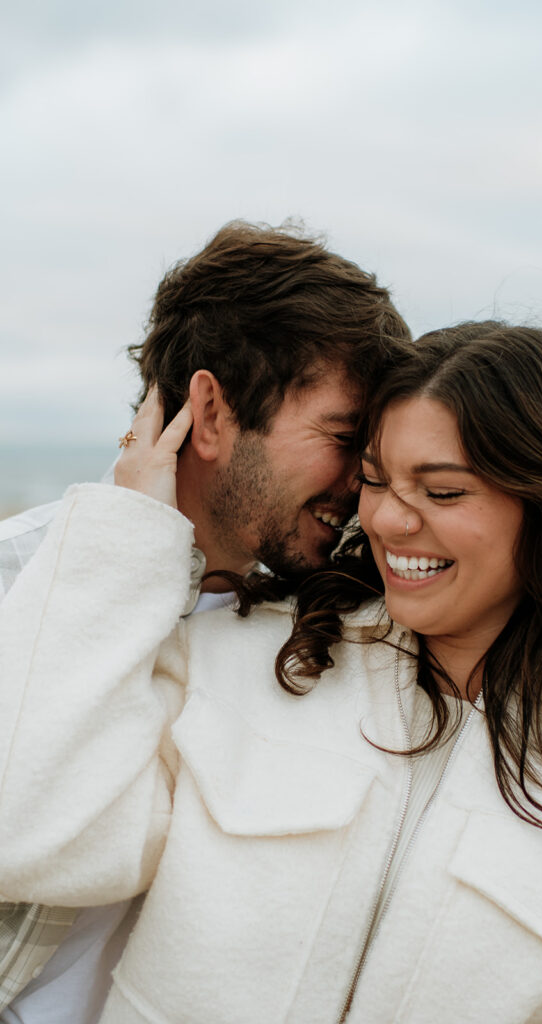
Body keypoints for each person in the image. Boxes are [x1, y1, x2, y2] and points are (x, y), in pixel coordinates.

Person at [1, 321, 542, 1023]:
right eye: (375, 481)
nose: (387, 520)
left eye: (441, 493)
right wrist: (125, 529)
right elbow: (30, 842)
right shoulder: (245, 656)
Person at [0, 219, 410, 1023]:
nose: (361, 480)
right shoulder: (16, 581)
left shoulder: (339, 624)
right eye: (341, 437)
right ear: (213, 412)